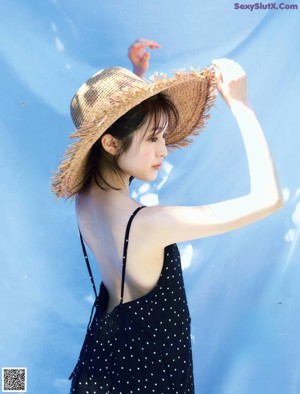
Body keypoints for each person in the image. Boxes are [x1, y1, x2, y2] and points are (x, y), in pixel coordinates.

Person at [52, 38, 283, 393]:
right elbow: (268, 199)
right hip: (150, 380)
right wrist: (241, 105)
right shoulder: (151, 225)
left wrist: (136, 75)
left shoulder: (85, 199)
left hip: (101, 372)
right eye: (152, 137)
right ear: (111, 144)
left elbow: (114, 137)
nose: (164, 149)